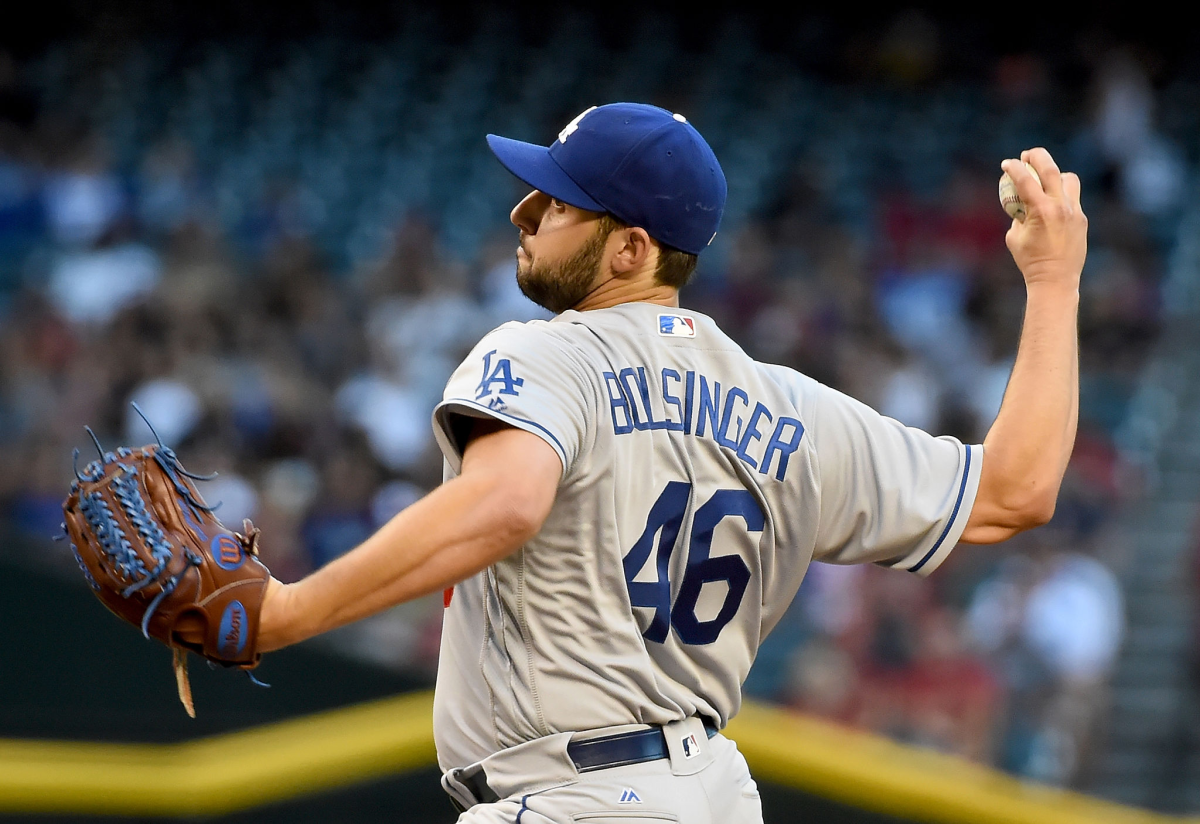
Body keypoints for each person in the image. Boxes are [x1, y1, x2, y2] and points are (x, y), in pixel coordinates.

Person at [255, 102, 1088, 822]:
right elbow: (1014, 492)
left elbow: (504, 504)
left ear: (631, 249)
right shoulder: (792, 409)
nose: (522, 211)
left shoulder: (549, 358)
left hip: (569, 796)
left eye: (557, 201)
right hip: (711, 796)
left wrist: (286, 613)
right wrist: (1052, 284)